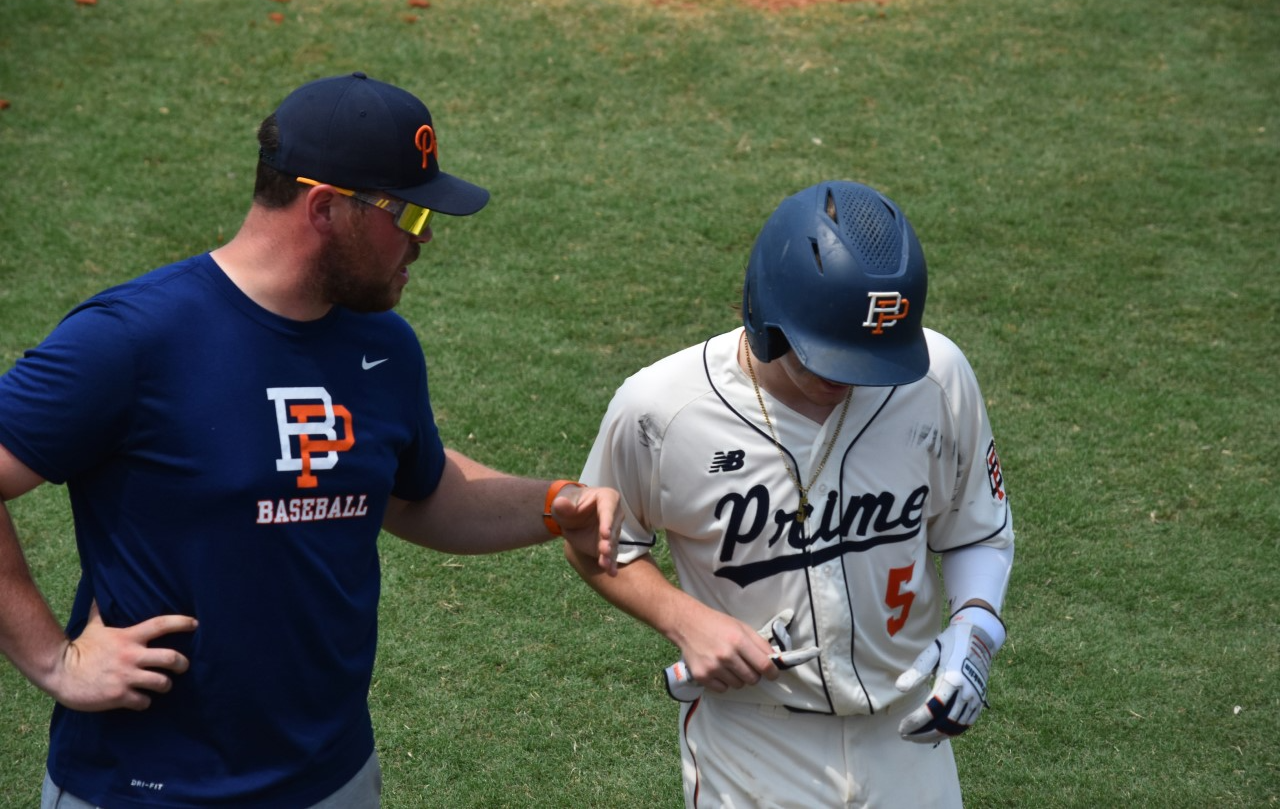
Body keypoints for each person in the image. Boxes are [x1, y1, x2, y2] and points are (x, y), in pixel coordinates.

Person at [0, 71, 620, 809]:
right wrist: (53, 660)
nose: (424, 243)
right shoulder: (134, 340)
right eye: (411, 217)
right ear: (327, 207)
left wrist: (557, 504)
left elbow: (416, 489)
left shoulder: (383, 345)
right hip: (149, 788)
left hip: (333, 780)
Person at [565, 180, 1014, 807]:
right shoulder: (660, 410)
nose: (850, 379)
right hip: (755, 742)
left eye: (874, 357)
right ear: (766, 316)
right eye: (828, 358)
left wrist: (977, 624)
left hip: (910, 737)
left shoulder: (935, 377)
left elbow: (977, 530)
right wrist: (683, 618)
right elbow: (599, 542)